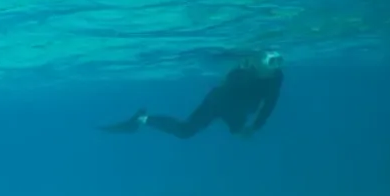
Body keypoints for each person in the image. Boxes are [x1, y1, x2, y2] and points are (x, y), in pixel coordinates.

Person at [102, 51, 283, 140]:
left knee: (240, 133)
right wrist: (238, 126)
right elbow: (227, 98)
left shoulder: (276, 78)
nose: (275, 66)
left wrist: (255, 125)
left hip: (236, 107)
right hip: (218, 103)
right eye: (271, 61)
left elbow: (270, 104)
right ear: (259, 61)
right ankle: (141, 119)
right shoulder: (243, 72)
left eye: (279, 61)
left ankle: (141, 119)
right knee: (185, 131)